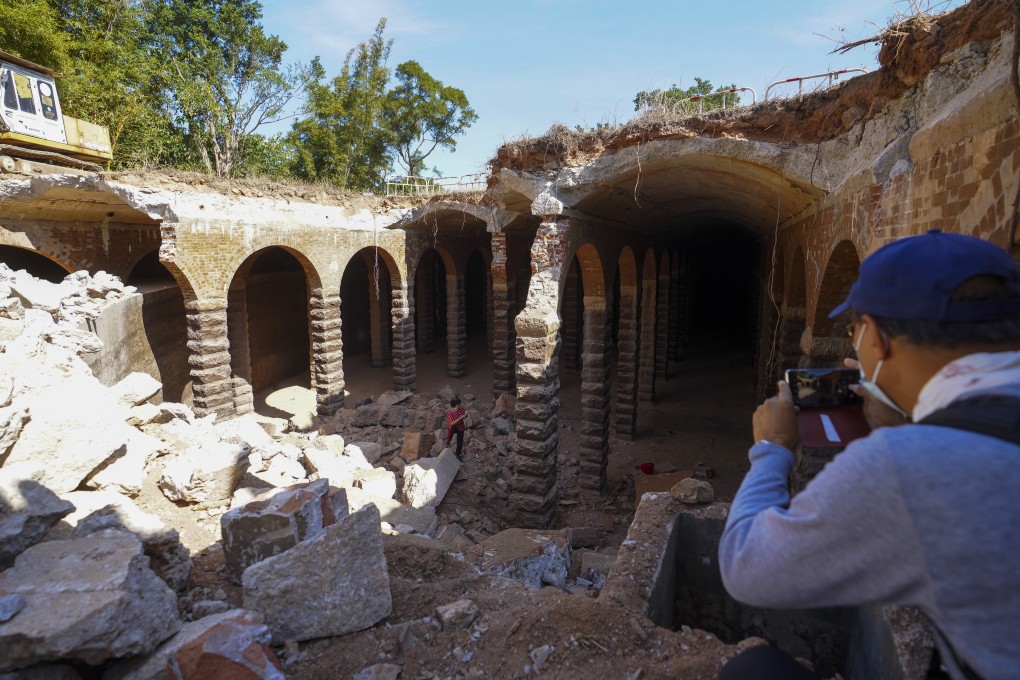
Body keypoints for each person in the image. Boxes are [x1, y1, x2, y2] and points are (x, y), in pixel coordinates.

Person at [718, 231, 1020, 680]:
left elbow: (746, 566)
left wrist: (771, 450)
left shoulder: (907, 464)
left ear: (877, 338)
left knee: (753, 670)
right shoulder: (928, 443)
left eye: (853, 329)